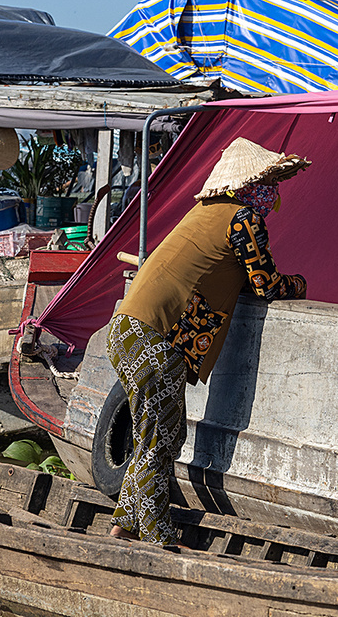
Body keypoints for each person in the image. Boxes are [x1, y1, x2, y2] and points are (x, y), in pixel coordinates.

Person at [105, 137, 310, 543]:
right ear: (249, 185)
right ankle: (157, 537)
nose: (274, 192)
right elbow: (266, 283)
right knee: (158, 441)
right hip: (153, 339)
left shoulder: (206, 213)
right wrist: (300, 283)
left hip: (130, 331)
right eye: (269, 181)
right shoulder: (243, 220)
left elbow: (236, 277)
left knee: (163, 434)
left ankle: (122, 527)